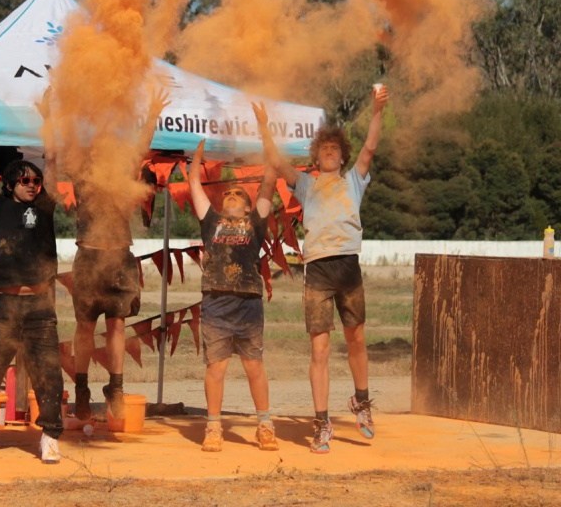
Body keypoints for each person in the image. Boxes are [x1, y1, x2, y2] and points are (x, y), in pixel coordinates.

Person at [252, 85, 390, 454]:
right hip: (317, 272)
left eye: (335, 149)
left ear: (342, 156)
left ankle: (361, 403)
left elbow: (370, 148)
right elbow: (277, 163)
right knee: (320, 351)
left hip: (349, 267)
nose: (329, 152)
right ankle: (321, 423)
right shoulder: (307, 184)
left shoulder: (354, 182)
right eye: (323, 149)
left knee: (357, 340)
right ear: (316, 157)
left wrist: (376, 110)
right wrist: (264, 126)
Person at [45, 89, 170, 422]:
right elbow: (67, 141)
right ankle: (83, 388)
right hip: (88, 258)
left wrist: (154, 114)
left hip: (119, 260)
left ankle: (115, 387)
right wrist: (53, 115)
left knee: (117, 327)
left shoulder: (123, 171)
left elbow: (141, 148)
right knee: (85, 328)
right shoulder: (82, 170)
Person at [0, 88, 64, 464]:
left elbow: (52, 156)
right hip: (3, 303)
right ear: (10, 184)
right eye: (24, 178)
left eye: (35, 179)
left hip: (40, 305)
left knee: (49, 373)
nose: (32, 182)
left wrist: (49, 118)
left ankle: (51, 434)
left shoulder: (46, 205)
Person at [188, 139, 279, 452]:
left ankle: (265, 425)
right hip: (215, 302)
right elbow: (193, 182)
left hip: (248, 303)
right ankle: (213, 427)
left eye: (238, 193)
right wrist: (198, 152)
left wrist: (267, 136)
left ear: (248, 206)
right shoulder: (211, 221)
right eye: (227, 192)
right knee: (217, 367)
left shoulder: (256, 222)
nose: (230, 194)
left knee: (254, 365)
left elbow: (269, 180)